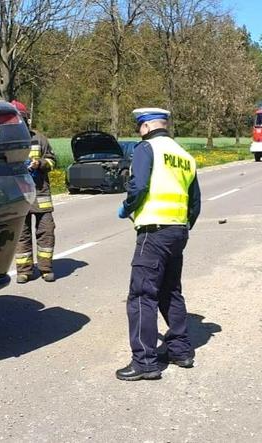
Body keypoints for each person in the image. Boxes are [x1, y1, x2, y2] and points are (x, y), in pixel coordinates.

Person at [115, 107, 201, 381]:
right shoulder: (185, 156)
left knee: (142, 295)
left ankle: (145, 362)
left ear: (146, 126)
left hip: (153, 232)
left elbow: (138, 186)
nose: (138, 130)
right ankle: (180, 351)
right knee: (170, 292)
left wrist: (127, 206)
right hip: (178, 231)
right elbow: (195, 203)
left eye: (139, 126)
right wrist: (182, 226)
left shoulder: (146, 148)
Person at [11, 100, 57, 284]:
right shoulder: (8, 141)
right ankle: (24, 271)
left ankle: (46, 268)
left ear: (26, 120)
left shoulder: (39, 139)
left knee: (46, 231)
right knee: (21, 235)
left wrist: (41, 164)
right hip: (18, 197)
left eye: (21, 119)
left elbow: (52, 160)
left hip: (40, 195)